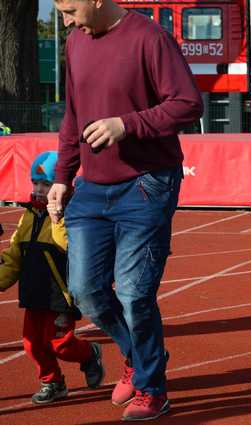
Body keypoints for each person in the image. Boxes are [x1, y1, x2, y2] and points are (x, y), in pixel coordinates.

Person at [48, 0, 203, 421]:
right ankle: (139, 355)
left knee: (135, 294)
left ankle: (152, 387)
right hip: (91, 188)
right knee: (86, 292)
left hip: (147, 184)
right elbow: (72, 117)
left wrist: (125, 124)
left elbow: (188, 103)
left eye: (69, 9)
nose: (64, 20)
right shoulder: (76, 41)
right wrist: (62, 177)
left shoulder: (150, 37)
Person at [0, 151, 104, 404]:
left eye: (46, 184)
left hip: (60, 295)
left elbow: (68, 245)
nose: (39, 189)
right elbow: (14, 256)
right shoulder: (29, 216)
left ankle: (89, 354)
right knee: (32, 345)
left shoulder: (73, 215)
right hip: (34, 294)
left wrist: (56, 215)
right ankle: (52, 382)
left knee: (60, 344)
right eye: (36, 183)